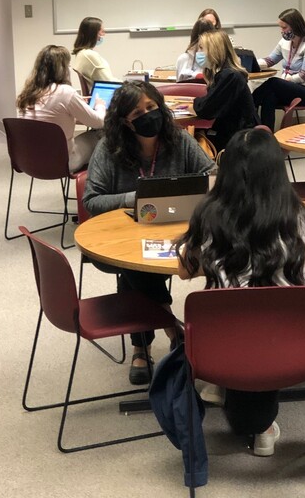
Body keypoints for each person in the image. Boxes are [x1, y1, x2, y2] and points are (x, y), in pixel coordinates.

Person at [176, 128, 305, 456]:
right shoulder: (302, 215)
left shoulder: (209, 216)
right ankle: (262, 426)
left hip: (223, 341)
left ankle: (237, 400)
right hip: (289, 340)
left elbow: (184, 271)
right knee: (265, 313)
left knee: (232, 309)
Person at [83, 81, 214, 384]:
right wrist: (136, 197)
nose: (147, 115)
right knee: (136, 266)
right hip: (121, 236)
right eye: (137, 113)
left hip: (175, 229)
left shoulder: (178, 139)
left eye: (151, 108)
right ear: (125, 122)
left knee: (140, 272)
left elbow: (210, 174)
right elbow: (91, 200)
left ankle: (142, 347)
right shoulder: (110, 148)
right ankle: (169, 330)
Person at [16, 45, 105, 172]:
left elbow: (52, 118)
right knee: (102, 135)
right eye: (68, 65)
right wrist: (99, 105)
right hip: (63, 161)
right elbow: (98, 122)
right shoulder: (66, 92)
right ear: (62, 69)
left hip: (28, 161)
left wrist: (78, 105)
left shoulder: (28, 94)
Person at [252, 8, 305, 131]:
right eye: (281, 28)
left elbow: (303, 76)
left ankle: (249, 107)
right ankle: (266, 134)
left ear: (295, 26)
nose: (282, 31)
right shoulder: (284, 43)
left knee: (273, 83)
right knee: (269, 96)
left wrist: (284, 81)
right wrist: (252, 63)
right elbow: (270, 60)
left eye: (284, 27)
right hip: (291, 89)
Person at [192, 29, 260, 151]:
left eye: (202, 48)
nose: (198, 53)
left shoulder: (230, 76)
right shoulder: (226, 74)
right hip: (232, 132)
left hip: (241, 139)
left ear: (214, 50)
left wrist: (195, 101)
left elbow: (205, 110)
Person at [72, 16, 115, 89]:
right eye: (102, 31)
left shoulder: (81, 54)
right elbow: (109, 82)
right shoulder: (89, 55)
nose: (104, 34)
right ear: (93, 33)